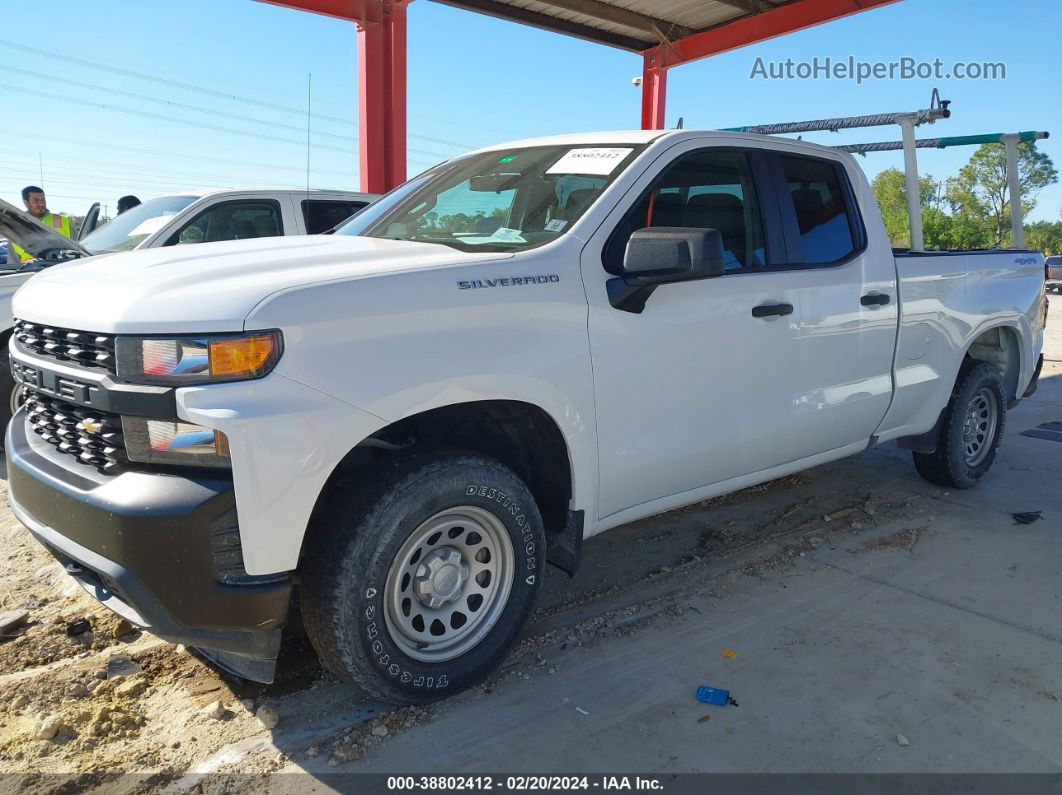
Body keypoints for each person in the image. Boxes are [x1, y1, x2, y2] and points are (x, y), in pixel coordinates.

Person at [7, 186, 72, 264]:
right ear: (26, 202)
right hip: (33, 273)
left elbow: (80, 249)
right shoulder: (16, 227)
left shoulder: (62, 220)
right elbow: (13, 263)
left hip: (62, 269)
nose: (41, 203)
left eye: (43, 199)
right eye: (36, 200)